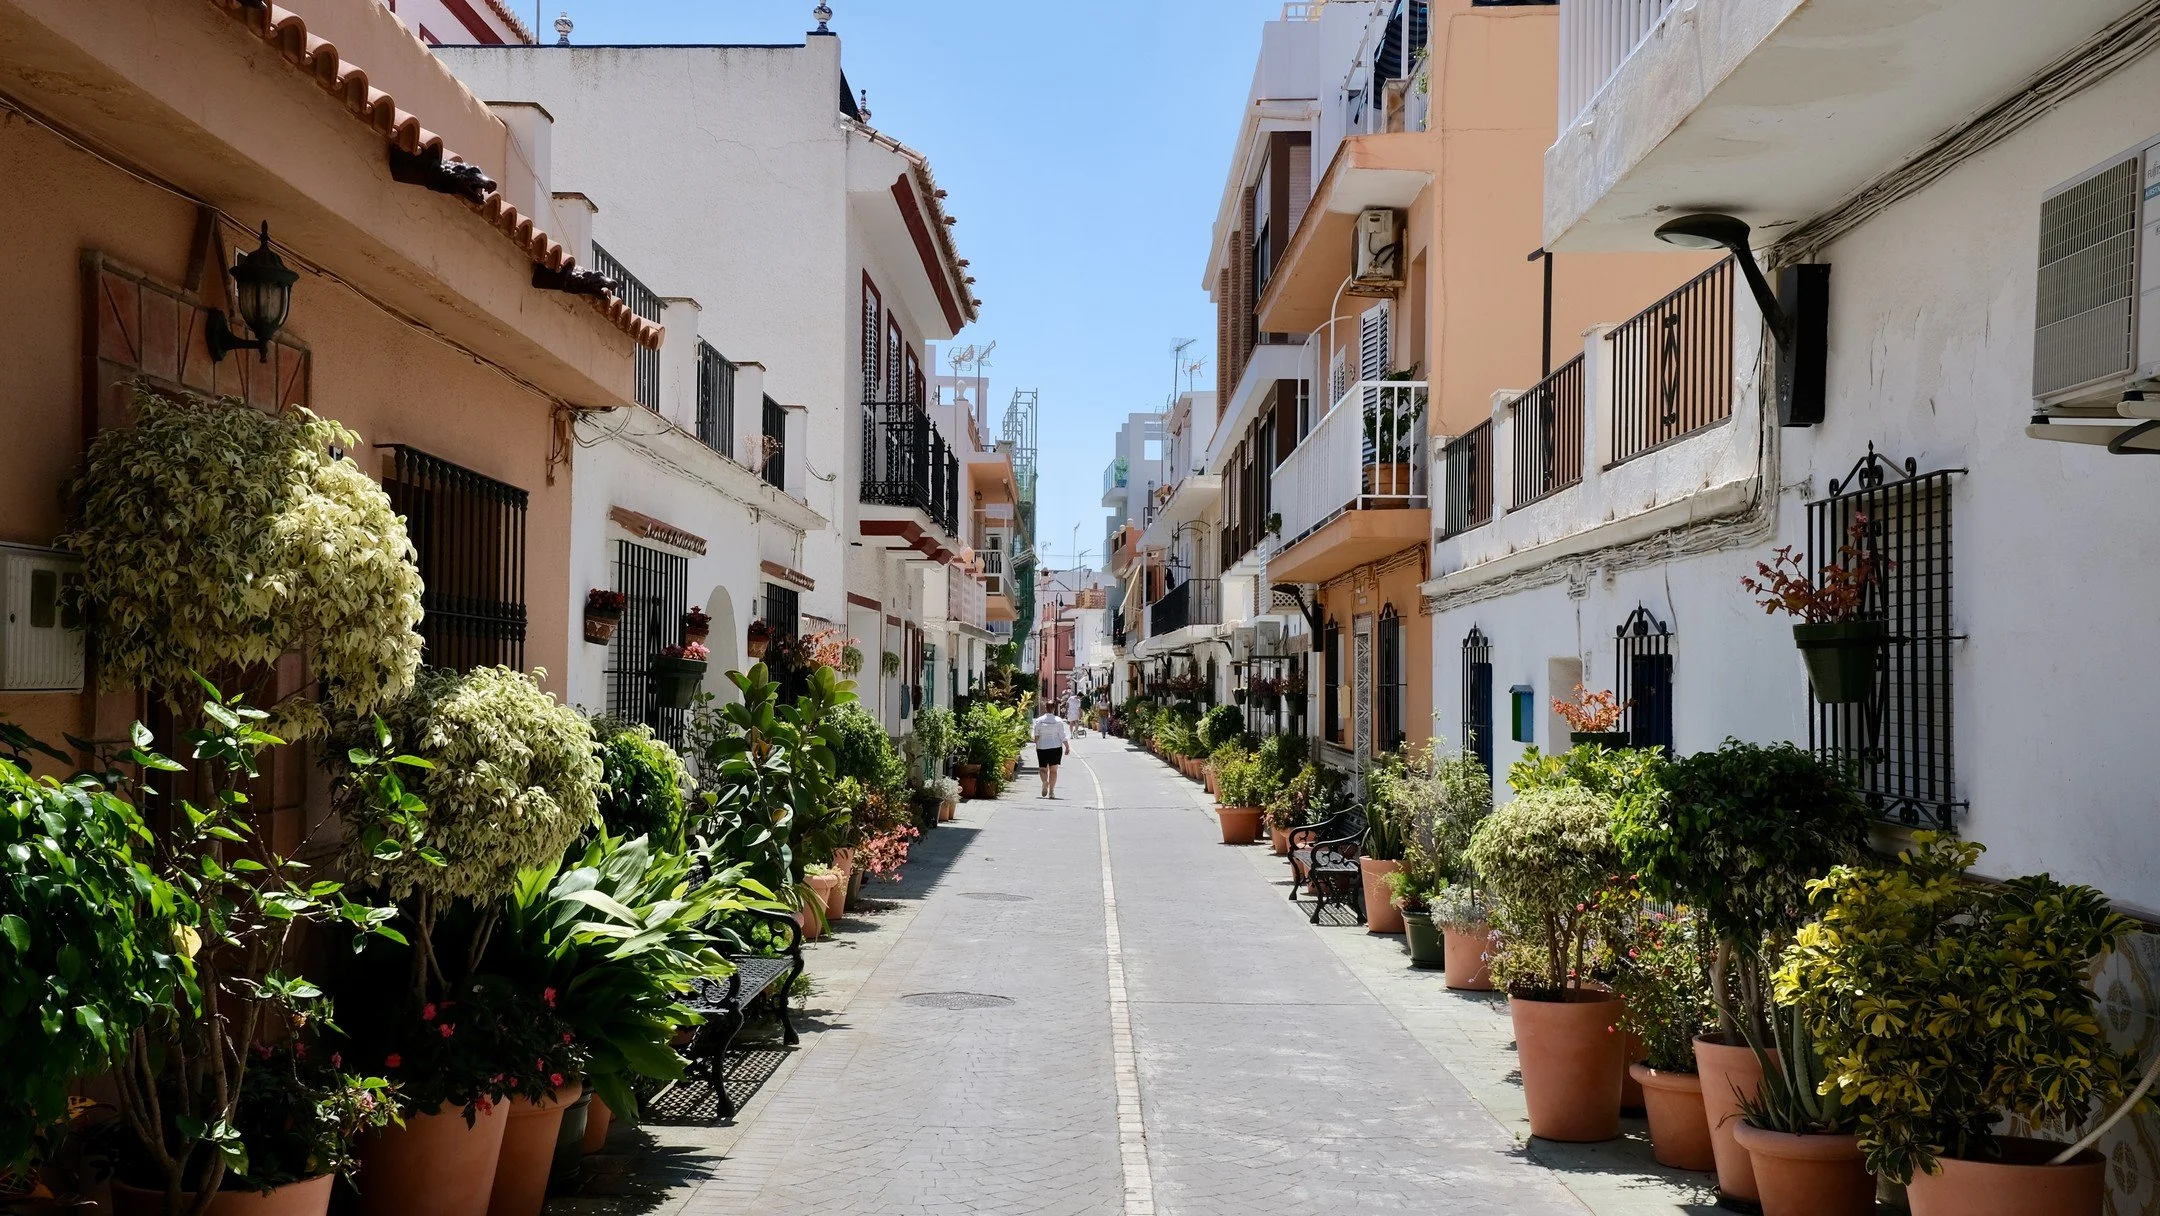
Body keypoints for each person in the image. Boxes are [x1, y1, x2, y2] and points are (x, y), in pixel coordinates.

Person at [1032, 705, 1071, 799]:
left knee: (1042, 769)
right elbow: (1062, 735)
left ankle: (1045, 782)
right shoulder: (1058, 721)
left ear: (1046, 708)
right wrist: (1067, 747)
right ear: (1054, 709)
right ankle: (1051, 792)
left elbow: (1036, 735)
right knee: (1053, 771)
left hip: (1042, 747)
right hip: (1055, 747)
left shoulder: (1039, 720)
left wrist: (1037, 746)